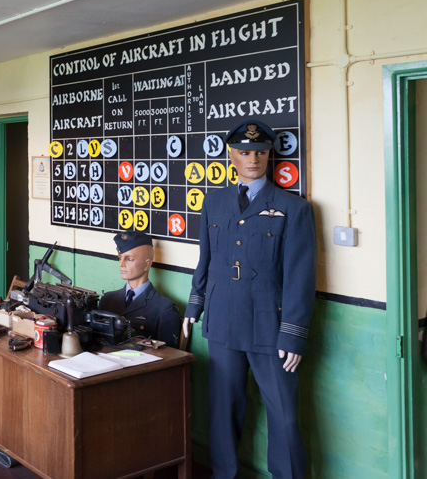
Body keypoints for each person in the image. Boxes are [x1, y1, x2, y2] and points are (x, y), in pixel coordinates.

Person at [183, 119, 316, 479]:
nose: (252, 159)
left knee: (284, 414)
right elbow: (205, 259)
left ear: (269, 155)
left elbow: (300, 277)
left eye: (259, 152)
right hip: (223, 320)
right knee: (223, 411)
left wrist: (293, 333)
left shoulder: (294, 208)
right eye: (244, 152)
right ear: (231, 156)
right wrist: (194, 306)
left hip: (269, 328)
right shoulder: (214, 202)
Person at [99, 230, 181, 347]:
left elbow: (169, 356)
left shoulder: (165, 309)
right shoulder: (107, 300)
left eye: (130, 259)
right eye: (120, 258)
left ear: (147, 264)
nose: (121, 264)